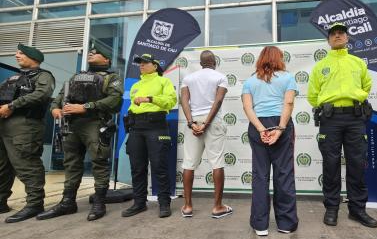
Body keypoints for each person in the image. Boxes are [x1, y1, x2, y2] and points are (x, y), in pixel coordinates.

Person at [36, 41, 123, 221]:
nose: (90, 54)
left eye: (95, 52)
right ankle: (68, 202)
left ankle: (99, 202)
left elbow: (115, 101)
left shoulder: (112, 78)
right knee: (71, 163)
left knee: (99, 161)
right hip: (71, 124)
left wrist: (86, 107)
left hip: (94, 122)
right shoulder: (76, 76)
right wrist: (55, 108)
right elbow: (60, 96)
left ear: (106, 59)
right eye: (90, 53)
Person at [308, 22, 377, 228]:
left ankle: (357, 210)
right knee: (330, 165)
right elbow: (313, 95)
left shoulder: (358, 63)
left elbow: (366, 85)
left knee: (356, 164)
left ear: (347, 38)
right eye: (334, 34)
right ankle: (332, 208)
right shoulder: (320, 66)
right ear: (328, 40)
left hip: (355, 118)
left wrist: (356, 98)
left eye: (341, 33)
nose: (338, 36)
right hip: (330, 119)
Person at [242, 46, 298, 236]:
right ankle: (286, 224)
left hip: (258, 126)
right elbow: (288, 103)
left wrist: (260, 129)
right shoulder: (288, 77)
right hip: (280, 122)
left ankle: (260, 225)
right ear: (279, 58)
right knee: (284, 174)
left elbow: (248, 108)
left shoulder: (250, 81)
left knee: (260, 175)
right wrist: (280, 129)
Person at [0, 44, 55, 223]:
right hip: (4, 124)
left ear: (34, 58)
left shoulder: (43, 76)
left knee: (26, 164)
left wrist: (11, 106)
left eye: (21, 53)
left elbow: (42, 95)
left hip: (25, 125)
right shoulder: (14, 77)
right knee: (3, 166)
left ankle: (34, 204)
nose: (17, 55)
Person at [121, 53, 177, 218]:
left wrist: (150, 99)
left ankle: (164, 203)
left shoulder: (163, 81)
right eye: (140, 63)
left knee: (159, 166)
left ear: (155, 65)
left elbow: (171, 101)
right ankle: (139, 203)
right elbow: (133, 106)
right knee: (137, 168)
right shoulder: (135, 85)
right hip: (136, 128)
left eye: (145, 63)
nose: (142, 65)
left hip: (156, 126)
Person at [180, 50, 231, 219]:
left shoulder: (189, 78)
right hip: (213, 121)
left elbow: (184, 101)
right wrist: (207, 123)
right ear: (214, 62)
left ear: (201, 63)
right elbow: (218, 101)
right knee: (217, 162)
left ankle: (187, 206)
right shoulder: (220, 77)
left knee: (189, 163)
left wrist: (191, 123)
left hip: (193, 122)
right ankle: (217, 207)